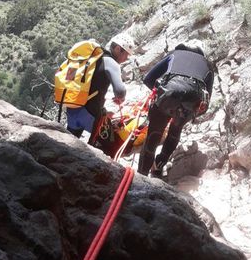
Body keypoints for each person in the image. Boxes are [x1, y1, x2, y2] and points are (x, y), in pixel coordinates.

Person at [137, 43, 214, 177]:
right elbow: (205, 104)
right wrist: (193, 113)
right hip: (191, 101)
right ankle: (158, 166)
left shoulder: (174, 54)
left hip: (168, 94)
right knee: (175, 130)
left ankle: (141, 175)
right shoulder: (208, 65)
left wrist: (160, 94)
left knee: (154, 134)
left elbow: (148, 79)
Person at [66, 33, 135, 140]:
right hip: (89, 113)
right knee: (109, 142)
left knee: (70, 140)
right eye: (126, 54)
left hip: (73, 106)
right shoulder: (111, 63)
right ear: (118, 49)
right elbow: (120, 91)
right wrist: (120, 98)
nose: (126, 58)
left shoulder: (94, 57)